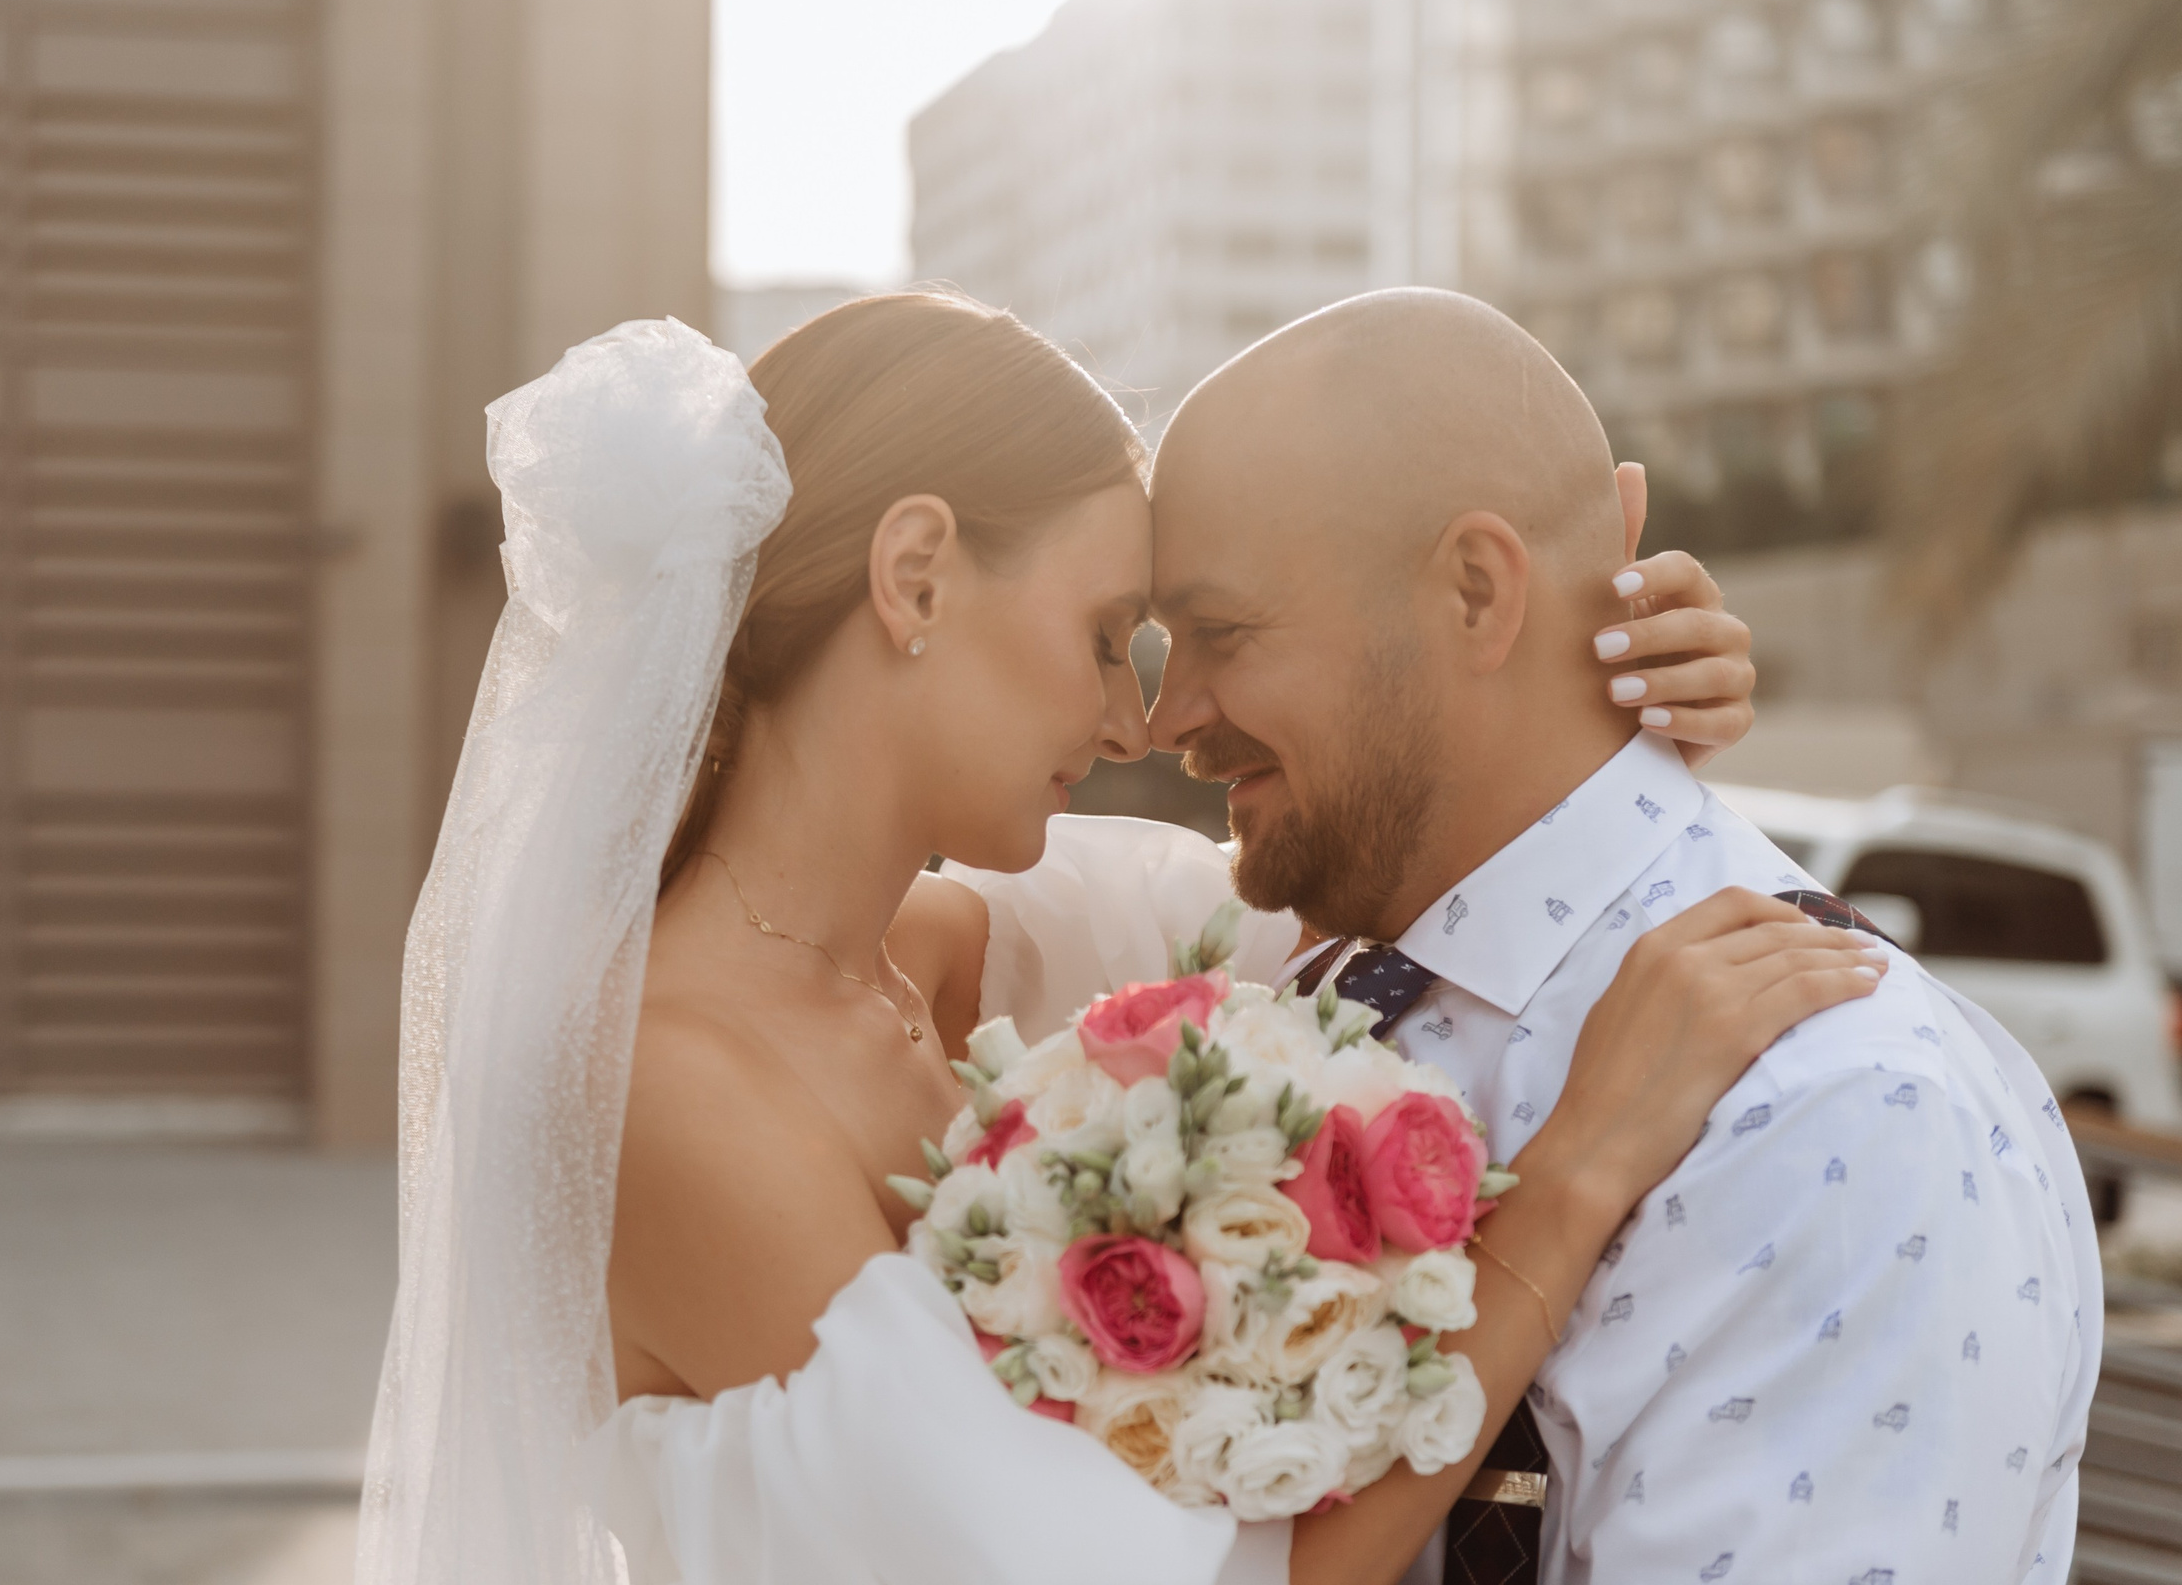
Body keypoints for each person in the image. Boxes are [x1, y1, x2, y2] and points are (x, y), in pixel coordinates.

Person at [352, 296, 1888, 1585]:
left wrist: (1582, 675)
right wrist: (1578, 1179)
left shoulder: (923, 962)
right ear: (916, 577)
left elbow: (1370, 869)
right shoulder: (662, 1084)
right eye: (1107, 639)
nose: (1131, 717)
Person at [932, 289, 2102, 1585]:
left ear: (1478, 591)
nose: (1167, 720)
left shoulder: (1831, 1113)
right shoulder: (1268, 971)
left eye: (1221, 632)